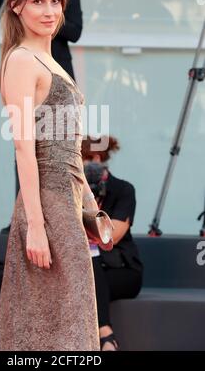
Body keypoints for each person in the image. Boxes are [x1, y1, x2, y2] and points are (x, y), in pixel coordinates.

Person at [0, 0, 100, 351]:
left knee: (67, 317)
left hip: (65, 203)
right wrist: (35, 225)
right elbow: (24, 147)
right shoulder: (21, 60)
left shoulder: (51, 60)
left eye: (56, 1)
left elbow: (67, 145)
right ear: (17, 5)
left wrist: (86, 201)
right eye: (38, 1)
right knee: (57, 320)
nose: (50, 11)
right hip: (46, 205)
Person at [81, 135, 143, 351]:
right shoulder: (74, 191)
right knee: (86, 274)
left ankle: (104, 335)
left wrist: (89, 209)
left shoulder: (123, 190)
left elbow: (112, 236)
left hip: (123, 270)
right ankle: (105, 335)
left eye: (81, 161)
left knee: (89, 272)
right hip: (89, 270)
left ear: (96, 158)